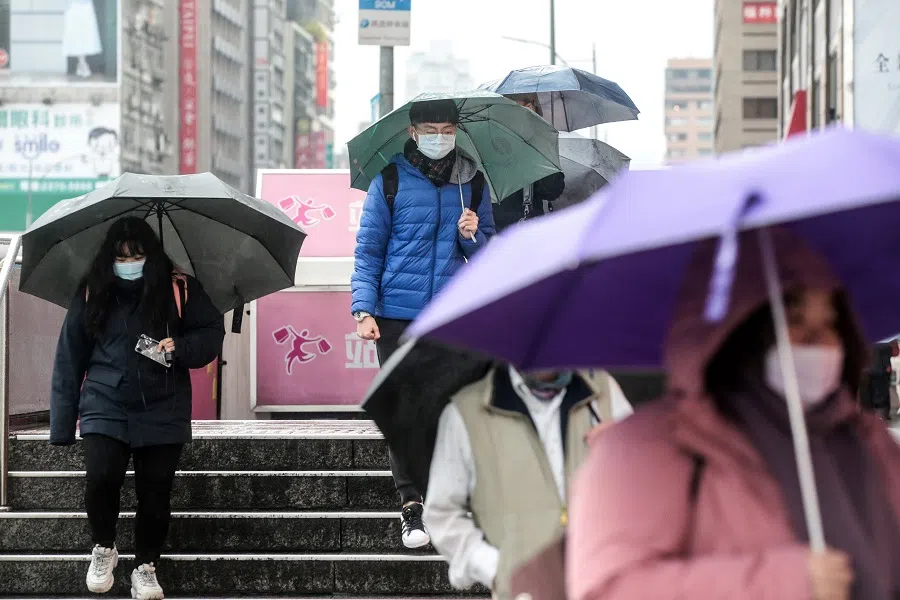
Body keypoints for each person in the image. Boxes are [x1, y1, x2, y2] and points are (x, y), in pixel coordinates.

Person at [567, 229, 900, 600]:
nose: (819, 342)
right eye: (794, 320)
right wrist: (782, 584)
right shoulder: (641, 449)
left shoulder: (863, 436)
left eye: (830, 323)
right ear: (741, 327)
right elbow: (610, 590)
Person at [49, 217, 225, 600]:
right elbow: (68, 357)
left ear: (153, 255)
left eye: (139, 254)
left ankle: (145, 566)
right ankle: (104, 548)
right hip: (104, 401)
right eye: (122, 255)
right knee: (100, 479)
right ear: (109, 257)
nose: (129, 262)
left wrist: (179, 347)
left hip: (164, 404)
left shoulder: (180, 288)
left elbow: (211, 331)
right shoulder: (91, 292)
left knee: (156, 494)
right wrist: (62, 424)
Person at [351, 98, 497, 548]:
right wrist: (363, 309)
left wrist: (474, 235)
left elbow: (491, 258)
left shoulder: (472, 183)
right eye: (430, 129)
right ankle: (411, 506)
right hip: (396, 315)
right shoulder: (391, 177)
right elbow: (369, 248)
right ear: (413, 132)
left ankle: (445, 500)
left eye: (447, 129)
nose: (440, 137)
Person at [425, 365, 633, 599]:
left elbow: (646, 488)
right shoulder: (466, 413)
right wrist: (499, 569)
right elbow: (442, 514)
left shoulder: (603, 394)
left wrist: (625, 448)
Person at [492, 93, 565, 232]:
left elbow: (552, 190)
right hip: (495, 235)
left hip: (528, 233)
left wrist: (536, 136)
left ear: (530, 108)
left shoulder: (540, 141)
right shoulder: (489, 140)